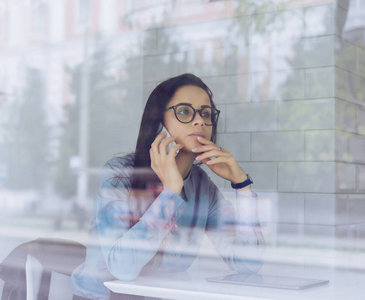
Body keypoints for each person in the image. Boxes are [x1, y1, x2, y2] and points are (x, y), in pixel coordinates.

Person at [71, 73, 265, 300]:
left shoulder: (203, 187)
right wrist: (171, 191)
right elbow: (122, 269)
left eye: (205, 113)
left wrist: (242, 185)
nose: (199, 121)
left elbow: (248, 264)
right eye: (184, 111)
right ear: (158, 122)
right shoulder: (118, 175)